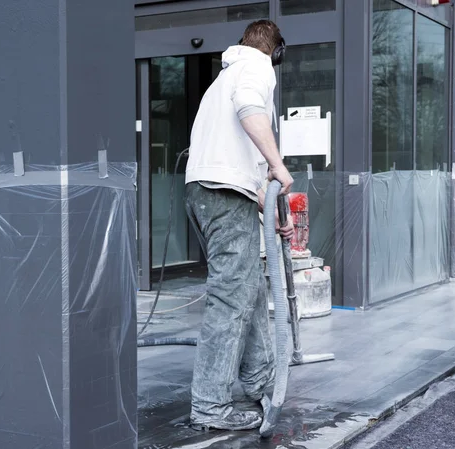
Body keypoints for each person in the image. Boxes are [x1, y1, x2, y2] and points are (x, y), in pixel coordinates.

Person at [184, 19, 295, 431]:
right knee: (231, 299)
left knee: (247, 288)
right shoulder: (256, 68)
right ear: (276, 51)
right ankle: (210, 407)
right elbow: (250, 112)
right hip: (223, 194)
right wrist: (280, 166)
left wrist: (271, 215)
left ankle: (259, 379)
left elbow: (236, 163)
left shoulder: (223, 78)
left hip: (208, 191)